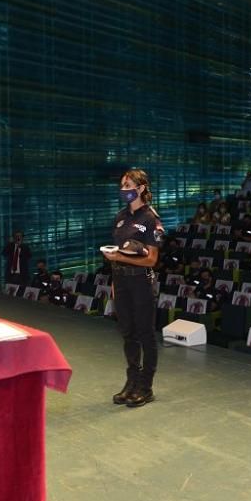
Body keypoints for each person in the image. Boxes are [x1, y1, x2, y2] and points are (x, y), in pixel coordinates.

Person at [103, 168, 164, 408]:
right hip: (121, 280)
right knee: (127, 332)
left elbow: (151, 259)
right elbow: (119, 252)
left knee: (145, 333)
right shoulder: (120, 216)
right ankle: (131, 382)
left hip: (141, 280)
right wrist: (115, 279)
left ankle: (145, 386)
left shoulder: (150, 218)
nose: (124, 189)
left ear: (140, 189)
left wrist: (119, 257)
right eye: (122, 185)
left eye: (128, 185)